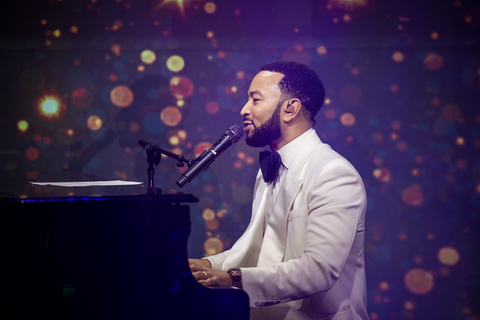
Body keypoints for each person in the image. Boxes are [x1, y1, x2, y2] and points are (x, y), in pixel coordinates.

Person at [189, 61, 368, 320]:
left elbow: (318, 270)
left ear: (290, 108)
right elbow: (261, 249)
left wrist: (232, 279)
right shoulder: (268, 169)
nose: (244, 109)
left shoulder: (334, 173)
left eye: (255, 100)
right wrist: (208, 266)